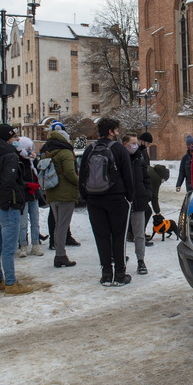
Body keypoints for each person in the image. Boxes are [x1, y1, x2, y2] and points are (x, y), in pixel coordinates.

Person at [78, 117, 134, 286]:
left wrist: (86, 197)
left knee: (101, 236)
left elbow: (82, 175)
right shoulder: (118, 149)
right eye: (116, 129)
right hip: (117, 198)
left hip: (95, 199)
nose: (117, 132)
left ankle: (106, 274)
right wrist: (129, 197)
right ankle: (120, 274)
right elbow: (127, 175)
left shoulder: (90, 149)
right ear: (110, 131)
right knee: (118, 236)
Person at [0, 124, 33, 295]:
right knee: (8, 248)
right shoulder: (9, 155)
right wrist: (9, 201)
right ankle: (11, 283)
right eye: (14, 137)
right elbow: (8, 181)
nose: (17, 140)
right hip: (8, 205)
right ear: (8, 138)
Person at [41, 130, 79, 267]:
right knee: (63, 225)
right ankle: (60, 255)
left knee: (58, 224)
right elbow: (70, 172)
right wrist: (79, 182)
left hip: (52, 192)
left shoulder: (49, 151)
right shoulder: (66, 152)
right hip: (66, 193)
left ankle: (58, 252)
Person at [123, 133, 151, 275]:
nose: (135, 145)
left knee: (139, 234)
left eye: (136, 143)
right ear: (125, 144)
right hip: (123, 202)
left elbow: (146, 177)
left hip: (139, 200)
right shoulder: (119, 158)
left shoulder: (140, 157)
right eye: (132, 143)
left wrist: (147, 194)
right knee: (120, 234)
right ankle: (120, 258)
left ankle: (141, 260)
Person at [15, 136, 44, 258]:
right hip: (24, 194)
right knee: (22, 223)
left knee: (35, 221)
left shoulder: (31, 161)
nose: (30, 151)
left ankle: (35, 244)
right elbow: (17, 179)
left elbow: (37, 174)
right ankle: (23, 245)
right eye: (27, 148)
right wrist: (27, 185)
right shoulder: (18, 161)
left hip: (34, 194)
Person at [146, 163, 170, 241]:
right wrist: (157, 212)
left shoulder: (152, 169)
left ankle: (134, 232)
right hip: (138, 194)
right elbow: (154, 196)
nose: (163, 181)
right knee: (146, 211)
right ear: (162, 177)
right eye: (164, 180)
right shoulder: (156, 178)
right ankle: (136, 233)